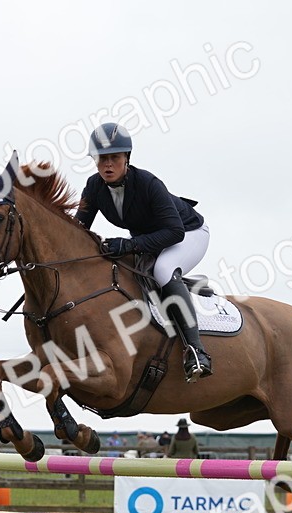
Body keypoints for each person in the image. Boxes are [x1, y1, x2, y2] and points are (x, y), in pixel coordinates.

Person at [75, 122, 212, 382]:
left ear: (127, 158)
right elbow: (78, 229)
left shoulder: (148, 183)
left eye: (114, 158)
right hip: (151, 238)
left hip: (189, 232)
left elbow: (174, 233)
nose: (108, 165)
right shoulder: (93, 187)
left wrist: (128, 245)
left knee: (162, 270)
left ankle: (196, 351)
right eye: (101, 158)